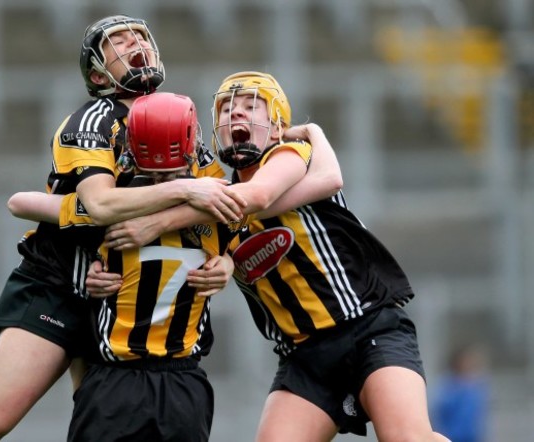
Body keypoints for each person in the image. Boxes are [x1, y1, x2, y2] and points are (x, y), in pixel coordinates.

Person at [89, 71, 451, 441]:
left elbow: (256, 199)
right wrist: (101, 270)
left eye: (251, 107)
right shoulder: (215, 198)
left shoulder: (290, 157)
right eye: (227, 111)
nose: (236, 116)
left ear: (278, 126)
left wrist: (158, 221)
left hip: (367, 330)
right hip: (304, 356)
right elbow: (186, 250)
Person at [0, 15, 242, 442]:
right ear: (98, 73)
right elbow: (100, 204)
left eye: (138, 36)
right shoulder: (95, 119)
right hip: (60, 286)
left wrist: (225, 260)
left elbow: (222, 205)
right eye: (118, 41)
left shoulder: (181, 124)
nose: (133, 43)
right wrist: (189, 192)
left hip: (118, 298)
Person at [431, 344, 491, 442]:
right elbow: (441, 412)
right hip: (452, 436)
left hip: (472, 437)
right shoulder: (448, 385)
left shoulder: (476, 386)